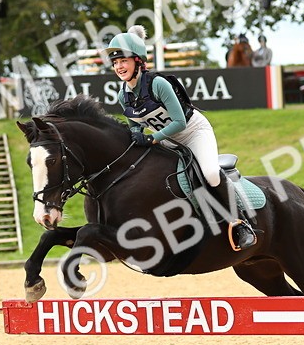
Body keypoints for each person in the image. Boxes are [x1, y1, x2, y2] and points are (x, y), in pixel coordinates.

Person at [107, 25, 256, 251]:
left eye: (124, 61)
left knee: (210, 174)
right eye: (115, 63)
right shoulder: (123, 95)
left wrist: (152, 139)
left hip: (193, 132)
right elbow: (135, 129)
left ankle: (241, 223)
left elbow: (180, 122)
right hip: (168, 141)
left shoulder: (158, 84)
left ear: (138, 61)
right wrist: (136, 139)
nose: (119, 66)